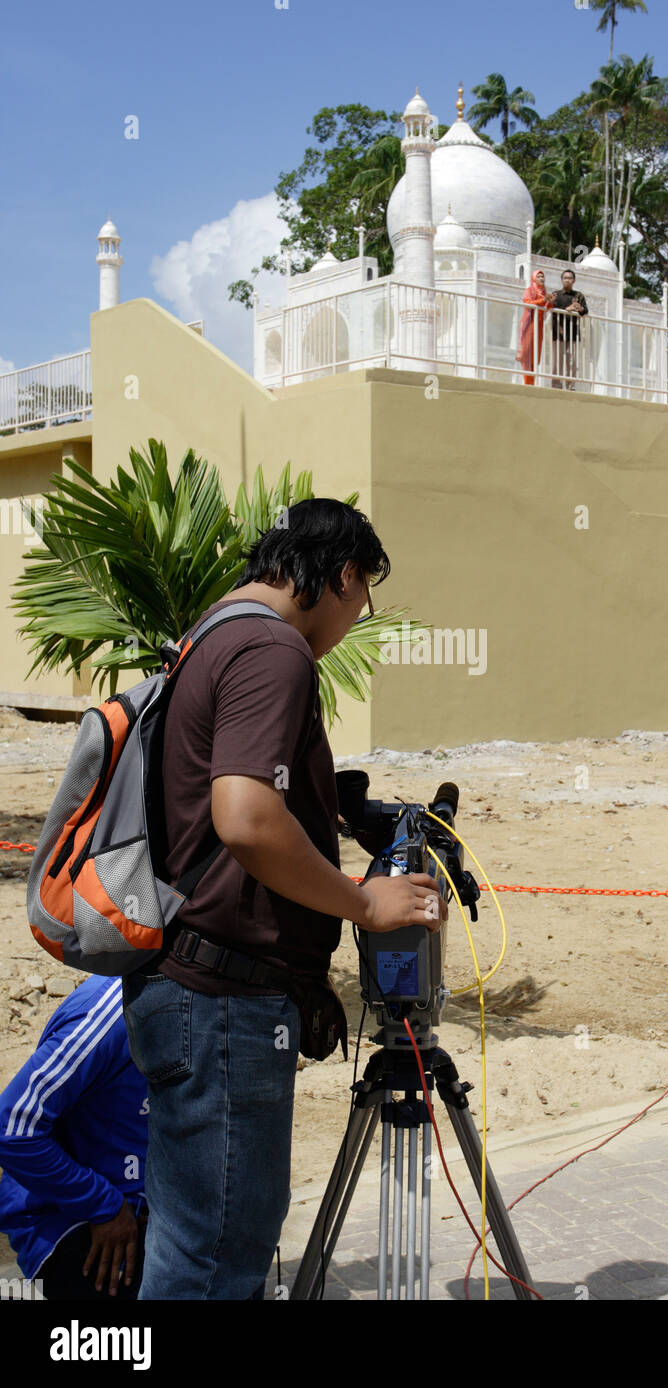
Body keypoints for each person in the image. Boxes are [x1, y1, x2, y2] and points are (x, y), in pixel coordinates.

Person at [122, 497, 449, 1300]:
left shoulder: (210, 633)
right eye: (360, 599)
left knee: (192, 1241)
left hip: (189, 991)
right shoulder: (273, 650)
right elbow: (246, 816)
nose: (351, 621)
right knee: (218, 1257)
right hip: (224, 1002)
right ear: (342, 574)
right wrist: (362, 904)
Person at [0, 975, 148, 1302]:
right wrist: (102, 1205)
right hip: (77, 1219)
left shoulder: (212, 996)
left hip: (145, 1206)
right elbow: (12, 1129)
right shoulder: (114, 1011)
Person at [551, 269, 588, 390]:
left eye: (570, 278)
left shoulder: (578, 296)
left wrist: (579, 308)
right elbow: (553, 310)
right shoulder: (556, 295)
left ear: (574, 280)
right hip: (559, 332)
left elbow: (585, 311)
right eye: (565, 278)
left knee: (571, 361)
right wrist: (568, 308)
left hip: (573, 333)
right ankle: (556, 384)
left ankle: (570, 385)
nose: (567, 280)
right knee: (558, 359)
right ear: (562, 280)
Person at [516, 269, 555, 385]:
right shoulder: (530, 290)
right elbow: (527, 302)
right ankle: (527, 381)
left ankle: (531, 382)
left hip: (539, 327)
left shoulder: (543, 292)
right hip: (529, 325)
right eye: (539, 277)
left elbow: (547, 307)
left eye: (543, 277)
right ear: (534, 278)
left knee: (534, 355)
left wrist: (551, 301)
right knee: (526, 354)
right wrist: (543, 300)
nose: (542, 279)